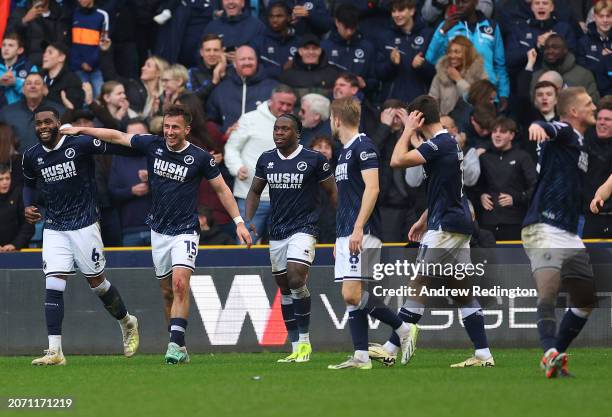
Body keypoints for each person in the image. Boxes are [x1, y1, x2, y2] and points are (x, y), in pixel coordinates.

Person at [61, 105, 252, 364]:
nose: (170, 132)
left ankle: (174, 344)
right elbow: (116, 136)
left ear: (186, 129)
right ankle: (180, 345)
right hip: (158, 230)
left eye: (175, 127)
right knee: (166, 292)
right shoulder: (152, 145)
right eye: (167, 126)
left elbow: (221, 190)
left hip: (185, 230)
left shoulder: (199, 157)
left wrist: (239, 222)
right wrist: (82, 129)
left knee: (180, 284)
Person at [370, 94, 495, 368]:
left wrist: (407, 131)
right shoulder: (448, 142)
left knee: (420, 282)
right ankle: (483, 354)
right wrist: (424, 218)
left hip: (446, 226)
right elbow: (446, 189)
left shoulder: (438, 144)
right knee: (462, 291)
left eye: (410, 116)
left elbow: (396, 160)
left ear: (419, 118)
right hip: (453, 222)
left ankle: (392, 345)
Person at [22, 106, 140, 366]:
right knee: (53, 282)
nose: (43, 127)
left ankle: (127, 321)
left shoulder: (80, 144)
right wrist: (27, 206)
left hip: (85, 224)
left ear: (59, 123)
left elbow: (118, 147)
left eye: (48, 122)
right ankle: (55, 351)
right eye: (38, 123)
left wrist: (144, 149)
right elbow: (29, 185)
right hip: (54, 226)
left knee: (97, 283)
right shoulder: (31, 156)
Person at [327, 97, 415, 370]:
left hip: (362, 231)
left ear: (337, 119)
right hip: (347, 232)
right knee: (351, 296)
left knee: (352, 294)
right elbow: (347, 198)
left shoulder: (364, 147)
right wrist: (339, 236)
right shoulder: (344, 151)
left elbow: (372, 188)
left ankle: (403, 328)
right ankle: (361, 357)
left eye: (332, 118)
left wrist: (357, 228)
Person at [246, 113, 337, 362]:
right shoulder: (266, 160)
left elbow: (333, 191)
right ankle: (295, 346)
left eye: (285, 129)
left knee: (297, 278)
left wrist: (345, 225)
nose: (278, 133)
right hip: (277, 231)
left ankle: (306, 342)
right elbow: (254, 191)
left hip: (304, 227)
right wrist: (250, 221)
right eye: (276, 129)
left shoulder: (314, 159)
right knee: (285, 287)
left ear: (297, 134)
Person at [523, 87, 598, 378]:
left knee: (585, 300)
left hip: (568, 232)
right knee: (549, 292)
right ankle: (548, 350)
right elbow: (547, 127)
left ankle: (554, 355)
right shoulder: (565, 131)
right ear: (574, 112)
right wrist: (536, 126)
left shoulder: (581, 144)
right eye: (588, 103)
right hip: (543, 224)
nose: (593, 106)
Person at [225, 85, 297, 242]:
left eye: (289, 105)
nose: (284, 107)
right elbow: (231, 148)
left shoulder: (295, 124)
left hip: (284, 198)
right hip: (250, 196)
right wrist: (236, 167)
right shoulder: (249, 119)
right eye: (281, 103)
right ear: (271, 101)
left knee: (283, 246)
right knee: (246, 245)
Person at [425, 0, 510, 111]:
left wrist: (503, 94)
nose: (460, 5)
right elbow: (431, 59)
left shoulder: (491, 26)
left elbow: (500, 65)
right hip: (456, 94)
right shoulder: (448, 25)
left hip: (486, 92)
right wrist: (442, 31)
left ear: (475, 2)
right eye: (457, 2)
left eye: (464, 2)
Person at [477, 117, 537, 241]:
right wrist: (481, 195)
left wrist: (516, 198)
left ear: (512, 135)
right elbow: (475, 186)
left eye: (503, 132)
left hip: (514, 222)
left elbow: (535, 187)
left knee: (513, 260)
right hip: (488, 222)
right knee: (488, 260)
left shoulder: (522, 157)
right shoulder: (484, 157)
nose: (497, 135)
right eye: (494, 131)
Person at [207, 45, 278, 133]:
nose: (247, 62)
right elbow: (211, 122)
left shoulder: (272, 88)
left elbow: (281, 118)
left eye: (250, 59)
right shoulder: (221, 90)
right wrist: (224, 132)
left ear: (257, 61)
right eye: (242, 59)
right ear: (235, 63)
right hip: (228, 143)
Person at [376, 0, 435, 104]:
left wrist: (422, 65)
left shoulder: (428, 34)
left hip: (421, 102)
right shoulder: (385, 37)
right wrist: (392, 64)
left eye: (401, 10)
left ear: (412, 10)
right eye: (394, 11)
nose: (397, 15)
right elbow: (378, 73)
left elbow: (436, 72)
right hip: (393, 103)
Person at [107, 119, 152, 246]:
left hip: (159, 229)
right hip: (129, 230)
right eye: (132, 136)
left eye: (141, 135)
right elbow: (112, 192)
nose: (137, 140)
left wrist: (152, 181)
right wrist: (131, 191)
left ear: (149, 134)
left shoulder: (158, 155)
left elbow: (173, 189)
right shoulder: (119, 158)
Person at [505, 0, 576, 77]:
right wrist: (536, 46)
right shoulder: (520, 29)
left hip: (559, 76)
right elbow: (510, 59)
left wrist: (554, 44)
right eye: (537, 3)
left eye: (545, 3)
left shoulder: (563, 28)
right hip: (528, 78)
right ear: (531, 7)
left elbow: (572, 56)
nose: (541, 6)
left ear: (552, 7)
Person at [100, 40, 168, 120]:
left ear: (158, 73)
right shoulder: (132, 85)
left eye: (148, 66)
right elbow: (110, 77)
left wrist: (155, 113)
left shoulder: (165, 94)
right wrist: (105, 52)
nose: (143, 68)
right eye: (144, 65)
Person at [0, 72, 64, 151]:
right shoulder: (7, 112)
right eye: (28, 83)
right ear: (23, 89)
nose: (33, 86)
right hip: (17, 161)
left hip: (50, 160)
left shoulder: (59, 111)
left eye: (37, 83)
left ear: (44, 89)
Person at [321, 4, 376, 94]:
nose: (349, 32)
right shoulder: (325, 47)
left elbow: (375, 80)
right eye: (346, 27)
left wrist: (365, 83)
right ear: (337, 22)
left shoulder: (367, 47)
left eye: (352, 28)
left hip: (358, 102)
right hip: (331, 99)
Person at [530, 35, 600, 103]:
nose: (550, 51)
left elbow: (593, 103)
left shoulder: (584, 75)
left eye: (555, 47)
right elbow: (531, 103)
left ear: (565, 50)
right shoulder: (536, 77)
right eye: (547, 48)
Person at [428, 35, 486, 116]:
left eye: (457, 52)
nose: (452, 56)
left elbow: (479, 101)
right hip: (445, 123)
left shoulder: (479, 73)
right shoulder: (441, 74)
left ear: (467, 53)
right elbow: (432, 102)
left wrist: (459, 80)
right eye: (450, 51)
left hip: (471, 124)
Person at [7, 0, 68, 67]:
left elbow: (64, 43)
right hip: (26, 66)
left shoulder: (61, 13)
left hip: (53, 65)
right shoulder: (20, 12)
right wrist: (24, 20)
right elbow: (9, 35)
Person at [278, 34, 340, 100]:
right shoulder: (288, 75)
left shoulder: (332, 73)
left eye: (314, 48)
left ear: (320, 51)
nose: (311, 52)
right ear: (300, 51)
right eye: (306, 48)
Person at [583, 96, 612, 238]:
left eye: (607, 119)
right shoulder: (585, 143)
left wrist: (600, 196)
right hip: (590, 217)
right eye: (599, 119)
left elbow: (609, 183)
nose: (601, 123)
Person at [69, 0, 108, 97]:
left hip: (96, 67)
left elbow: (104, 42)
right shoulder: (73, 14)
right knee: (84, 100)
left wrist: (91, 62)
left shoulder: (102, 15)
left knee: (100, 98)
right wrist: (81, 63)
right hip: (78, 67)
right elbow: (70, 43)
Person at [251, 1, 299, 80]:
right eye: (271, 16)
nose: (274, 20)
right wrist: (281, 69)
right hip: (267, 89)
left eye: (279, 16)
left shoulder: (299, 42)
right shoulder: (258, 43)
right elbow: (254, 71)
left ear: (289, 18)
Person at [576, 0, 612, 97]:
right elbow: (583, 73)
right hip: (592, 94)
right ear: (595, 17)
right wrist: (603, 61)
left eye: (608, 16)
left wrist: (609, 62)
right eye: (601, 16)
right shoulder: (583, 42)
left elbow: (610, 73)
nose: (605, 20)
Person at [0, 163, 34, 251]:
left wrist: (15, 245)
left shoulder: (20, 194)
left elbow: (28, 224)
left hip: (19, 251)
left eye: (7, 178)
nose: (5, 182)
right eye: (1, 179)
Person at [41, 42, 84, 110]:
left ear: (61, 57)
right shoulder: (39, 76)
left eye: (50, 52)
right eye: (45, 52)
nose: (44, 55)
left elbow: (74, 109)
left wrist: (48, 94)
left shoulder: (72, 80)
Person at [187, 34, 227, 107]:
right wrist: (213, 82)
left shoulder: (232, 71)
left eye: (216, 50)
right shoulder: (192, 73)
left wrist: (223, 75)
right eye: (208, 50)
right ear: (201, 52)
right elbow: (191, 101)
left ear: (222, 51)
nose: (212, 54)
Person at [310, 135, 336, 243]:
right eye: (319, 147)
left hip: (332, 224)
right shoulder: (303, 173)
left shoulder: (338, 172)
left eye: (327, 147)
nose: (323, 150)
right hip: (310, 225)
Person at [0, 32, 37, 106]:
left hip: (22, 112)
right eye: (4, 45)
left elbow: (36, 93)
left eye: (11, 45)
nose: (6, 49)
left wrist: (16, 82)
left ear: (20, 50)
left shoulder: (30, 68)